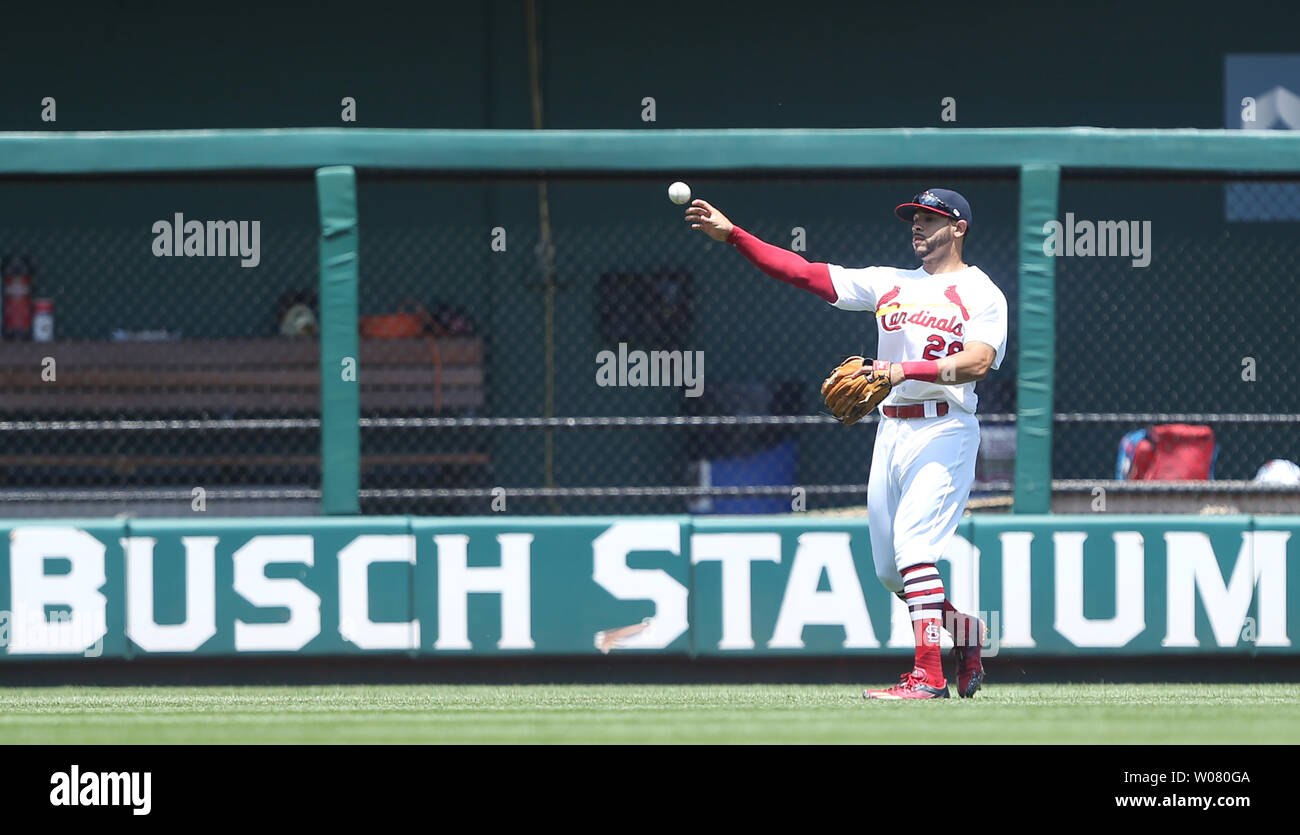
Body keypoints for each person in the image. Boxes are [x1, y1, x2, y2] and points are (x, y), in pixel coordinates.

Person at [686, 188, 1006, 699]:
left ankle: (928, 677)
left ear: (959, 228)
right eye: (914, 218)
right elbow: (802, 272)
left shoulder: (981, 291)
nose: (918, 226)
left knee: (915, 552)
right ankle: (965, 633)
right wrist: (734, 236)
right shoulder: (890, 283)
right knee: (890, 573)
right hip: (892, 429)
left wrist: (903, 368)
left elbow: (978, 362)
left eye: (930, 218)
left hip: (945, 428)